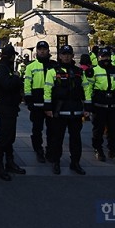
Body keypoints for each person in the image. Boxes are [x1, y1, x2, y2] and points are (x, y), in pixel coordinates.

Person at [44, 45, 89, 175]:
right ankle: (56, 162)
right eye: (64, 54)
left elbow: (86, 89)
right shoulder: (53, 71)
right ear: (59, 56)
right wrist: (48, 108)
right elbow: (47, 90)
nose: (66, 56)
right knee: (57, 139)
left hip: (76, 111)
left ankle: (75, 163)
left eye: (69, 54)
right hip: (60, 111)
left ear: (72, 55)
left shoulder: (79, 71)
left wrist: (87, 107)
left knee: (76, 139)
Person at [85, 47, 115, 162]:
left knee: (113, 129)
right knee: (98, 129)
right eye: (103, 56)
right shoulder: (94, 70)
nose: (106, 59)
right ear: (99, 57)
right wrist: (88, 104)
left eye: (107, 56)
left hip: (113, 104)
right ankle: (98, 149)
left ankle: (112, 149)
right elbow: (89, 88)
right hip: (99, 104)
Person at [0, 44, 26, 181]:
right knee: (4, 136)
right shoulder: (2, 69)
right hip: (5, 106)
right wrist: (17, 78)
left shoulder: (6, 68)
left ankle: (9, 162)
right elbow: (7, 84)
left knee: (10, 137)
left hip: (11, 106)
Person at [24, 40, 56, 163]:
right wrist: (28, 100)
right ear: (36, 51)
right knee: (37, 129)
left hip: (51, 102)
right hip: (36, 102)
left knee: (52, 129)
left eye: (44, 49)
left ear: (48, 50)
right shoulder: (30, 66)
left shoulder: (54, 65)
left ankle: (50, 150)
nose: (42, 51)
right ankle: (38, 150)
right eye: (40, 49)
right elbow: (27, 84)